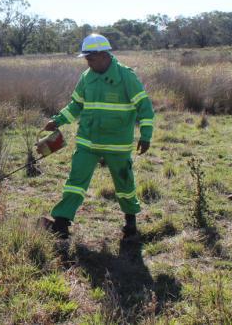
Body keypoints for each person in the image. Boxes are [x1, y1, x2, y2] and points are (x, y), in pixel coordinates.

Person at [39, 34, 154, 240]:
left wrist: (146, 136)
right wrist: (58, 121)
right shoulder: (86, 77)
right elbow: (76, 105)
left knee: (124, 184)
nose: (87, 62)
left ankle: (130, 223)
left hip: (117, 144)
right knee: (75, 182)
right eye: (86, 59)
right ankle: (62, 223)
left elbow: (144, 107)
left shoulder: (126, 76)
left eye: (90, 58)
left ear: (103, 55)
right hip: (87, 142)